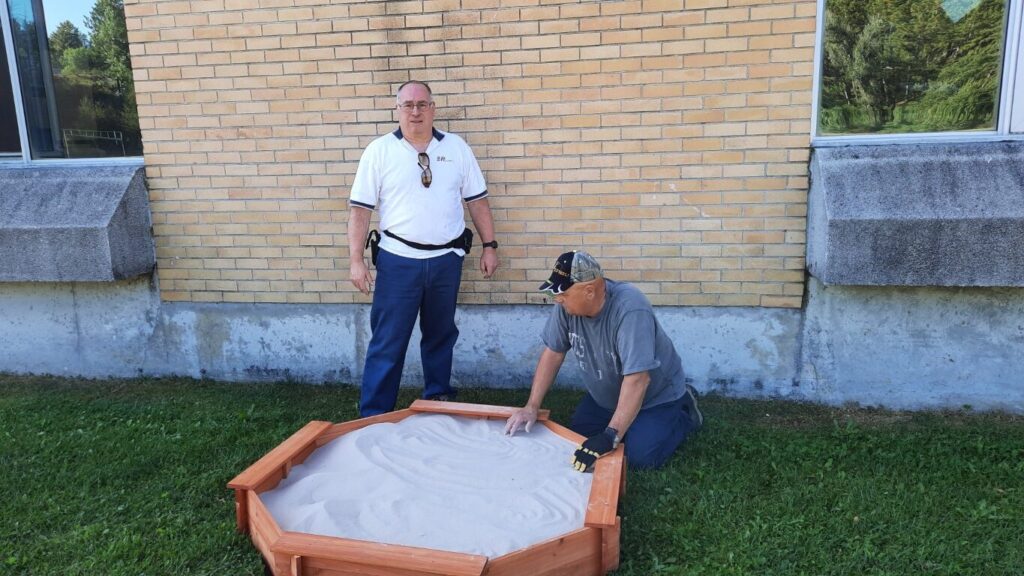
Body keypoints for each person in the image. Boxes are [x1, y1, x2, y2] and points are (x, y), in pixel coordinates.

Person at [348, 80, 499, 417]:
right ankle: (374, 414)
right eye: (407, 105)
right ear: (397, 110)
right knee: (388, 340)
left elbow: (478, 200)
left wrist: (490, 245)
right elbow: (360, 210)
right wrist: (356, 260)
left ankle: (438, 401)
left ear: (433, 108)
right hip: (398, 261)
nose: (415, 111)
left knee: (441, 335)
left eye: (421, 104)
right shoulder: (380, 151)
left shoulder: (456, 148)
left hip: (447, 260)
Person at [504, 250, 702, 471]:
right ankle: (626, 422)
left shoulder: (630, 309)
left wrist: (610, 435)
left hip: (654, 398)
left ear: (589, 291)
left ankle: (684, 411)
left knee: (639, 458)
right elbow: (553, 353)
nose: (557, 299)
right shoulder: (566, 307)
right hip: (607, 398)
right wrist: (531, 406)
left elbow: (638, 379)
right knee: (577, 438)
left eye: (563, 293)